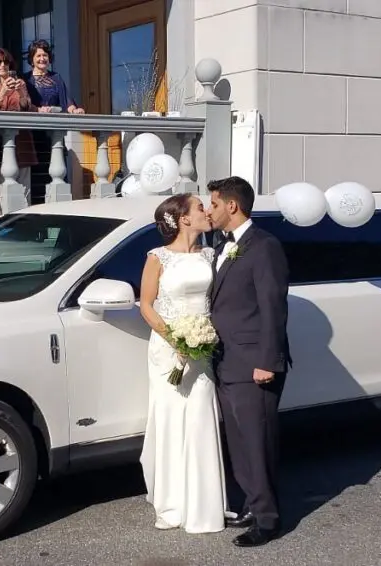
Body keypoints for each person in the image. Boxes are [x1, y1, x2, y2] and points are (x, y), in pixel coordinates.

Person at [206, 175, 291, 548]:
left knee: (257, 441)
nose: (209, 210)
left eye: (213, 204)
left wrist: (268, 361)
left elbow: (273, 307)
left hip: (254, 362)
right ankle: (253, 505)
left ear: (232, 206)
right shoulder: (221, 243)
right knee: (239, 441)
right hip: (226, 361)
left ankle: (269, 520)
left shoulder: (264, 246)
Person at [138, 193, 227, 534]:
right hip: (167, 349)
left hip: (203, 346)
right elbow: (146, 305)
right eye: (201, 207)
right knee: (172, 417)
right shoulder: (157, 257)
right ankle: (171, 503)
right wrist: (176, 340)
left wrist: (199, 339)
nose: (207, 211)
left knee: (201, 415)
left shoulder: (211, 255)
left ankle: (203, 506)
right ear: (184, 219)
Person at [22, 39, 84, 204]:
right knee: (36, 176)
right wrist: (37, 109)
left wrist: (74, 110)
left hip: (53, 135)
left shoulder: (56, 78)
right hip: (33, 135)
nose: (42, 58)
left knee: (55, 172)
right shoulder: (25, 80)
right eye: (38, 55)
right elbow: (23, 103)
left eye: (45, 55)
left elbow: (67, 101)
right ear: (32, 58)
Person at [0, 47, 37, 201]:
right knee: (1, 192)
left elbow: (27, 107)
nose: (2, 65)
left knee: (25, 193)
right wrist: (4, 90)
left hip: (22, 141)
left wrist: (22, 93)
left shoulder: (21, 83)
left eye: (6, 62)